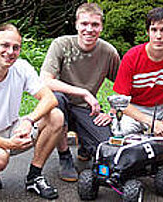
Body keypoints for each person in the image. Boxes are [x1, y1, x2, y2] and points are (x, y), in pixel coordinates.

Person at [0, 24, 64, 200]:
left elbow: (50, 98)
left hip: (10, 127)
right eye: (5, 45)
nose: (10, 52)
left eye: (16, 47)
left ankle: (34, 177)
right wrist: (7, 144)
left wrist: (29, 120)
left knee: (56, 116)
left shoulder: (21, 67)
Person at [40, 3, 120, 181]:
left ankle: (85, 145)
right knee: (56, 99)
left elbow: (122, 86)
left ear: (101, 27)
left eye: (95, 25)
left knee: (105, 149)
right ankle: (65, 156)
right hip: (61, 105)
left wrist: (113, 113)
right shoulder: (60, 45)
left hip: (86, 109)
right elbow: (45, 80)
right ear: (76, 24)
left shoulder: (109, 52)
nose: (89, 29)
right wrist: (83, 92)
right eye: (84, 24)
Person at [113, 7, 163, 136]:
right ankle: (148, 140)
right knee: (123, 129)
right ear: (147, 32)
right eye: (154, 30)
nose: (158, 36)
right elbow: (120, 102)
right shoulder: (132, 57)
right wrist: (152, 122)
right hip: (138, 109)